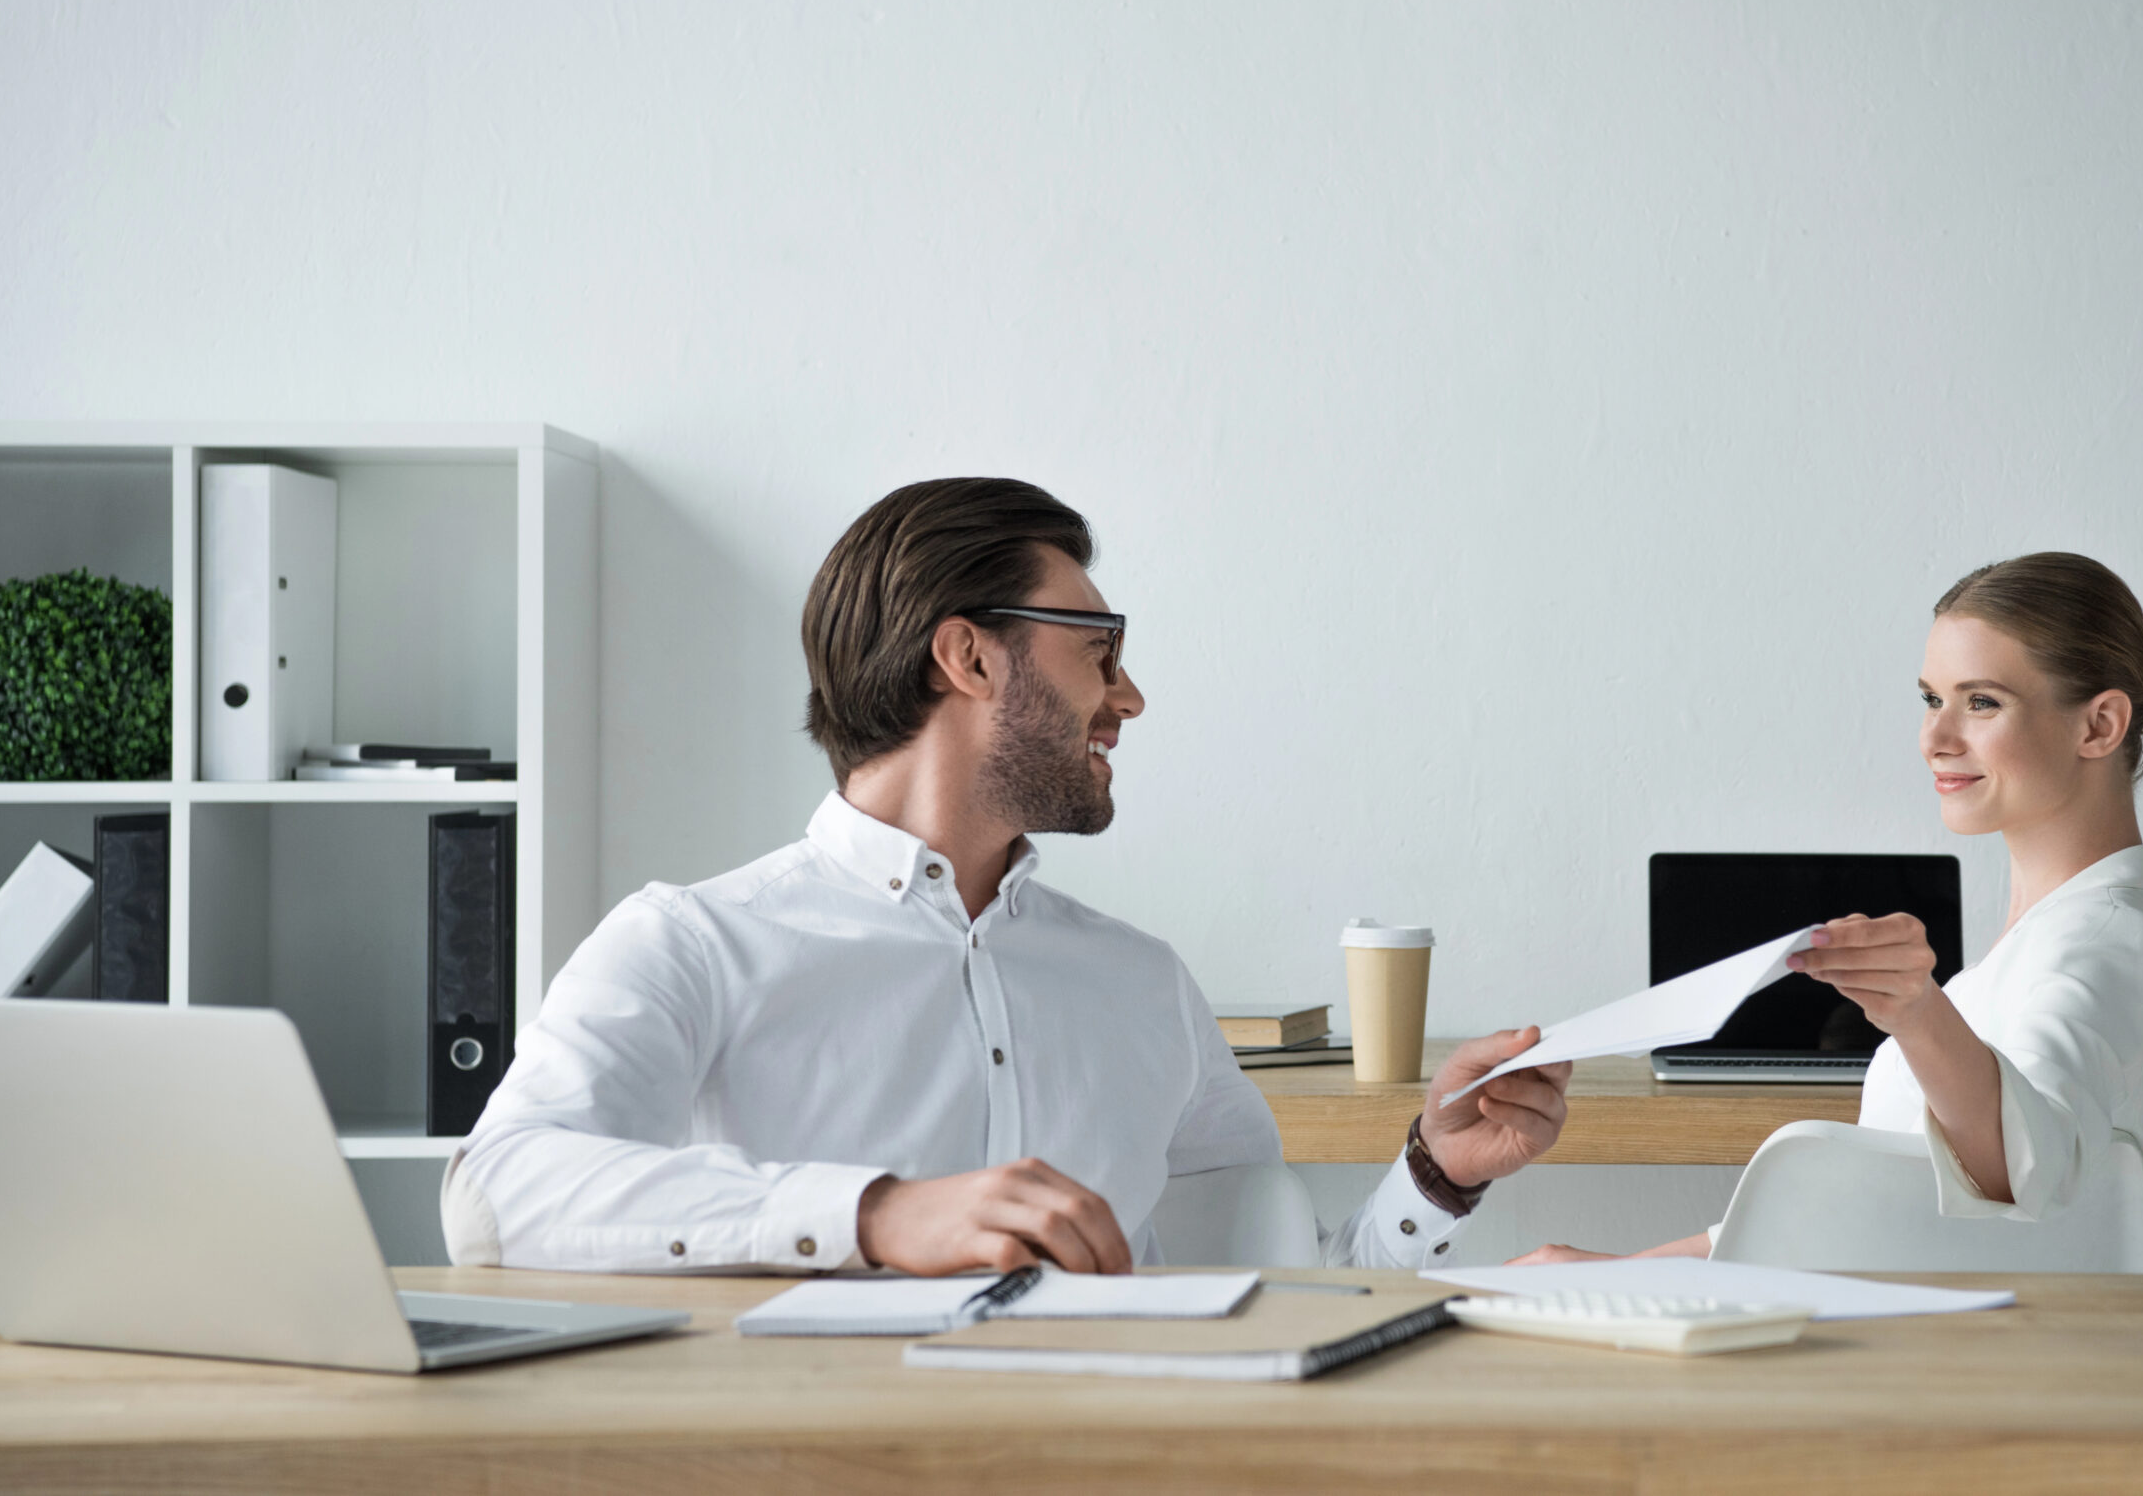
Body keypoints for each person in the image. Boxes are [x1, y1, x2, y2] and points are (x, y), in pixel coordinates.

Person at [443, 477, 1571, 1274]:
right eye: (1100, 649)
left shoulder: (1144, 985)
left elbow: (1272, 1294)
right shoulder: (692, 944)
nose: (1128, 697)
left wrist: (1434, 1176)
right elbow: (500, 1195)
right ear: (969, 654)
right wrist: (875, 1213)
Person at [1515, 551, 2143, 1270]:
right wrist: (1621, 1270)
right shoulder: (2049, 940)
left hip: (2023, 1363)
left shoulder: (2105, 940)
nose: (1935, 739)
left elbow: (2026, 1169)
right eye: (1931, 699)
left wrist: (1915, 1009)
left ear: (2099, 725)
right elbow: (1882, 1206)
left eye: (1982, 701)